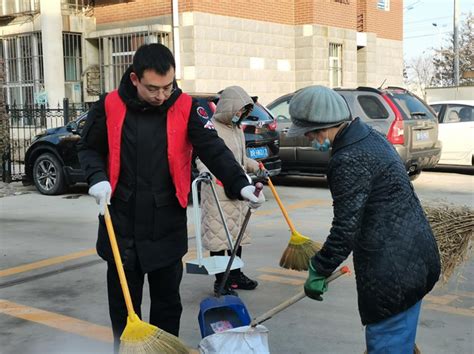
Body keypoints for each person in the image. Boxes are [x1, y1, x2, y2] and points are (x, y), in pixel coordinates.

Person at [77, 43, 265, 351]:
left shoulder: (187, 107)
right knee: (124, 312)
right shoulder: (109, 105)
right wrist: (96, 179)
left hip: (166, 222)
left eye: (168, 87)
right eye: (153, 88)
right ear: (135, 79)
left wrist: (239, 183)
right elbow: (87, 148)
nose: (162, 95)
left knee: (167, 305)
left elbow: (213, 148)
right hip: (120, 223)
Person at [285, 85, 440, 353]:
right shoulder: (371, 136)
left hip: (392, 273)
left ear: (322, 128)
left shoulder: (348, 158)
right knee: (400, 339)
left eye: (309, 134)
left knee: (387, 343)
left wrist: (319, 268)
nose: (310, 140)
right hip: (418, 256)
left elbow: (345, 228)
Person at [195, 86, 266, 296]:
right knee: (219, 237)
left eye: (243, 112)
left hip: (238, 190)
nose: (240, 115)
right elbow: (203, 157)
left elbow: (239, 160)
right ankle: (221, 281)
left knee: (237, 235)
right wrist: (207, 173)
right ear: (228, 107)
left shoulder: (236, 130)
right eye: (238, 111)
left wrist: (255, 166)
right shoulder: (212, 127)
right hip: (217, 191)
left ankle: (236, 275)